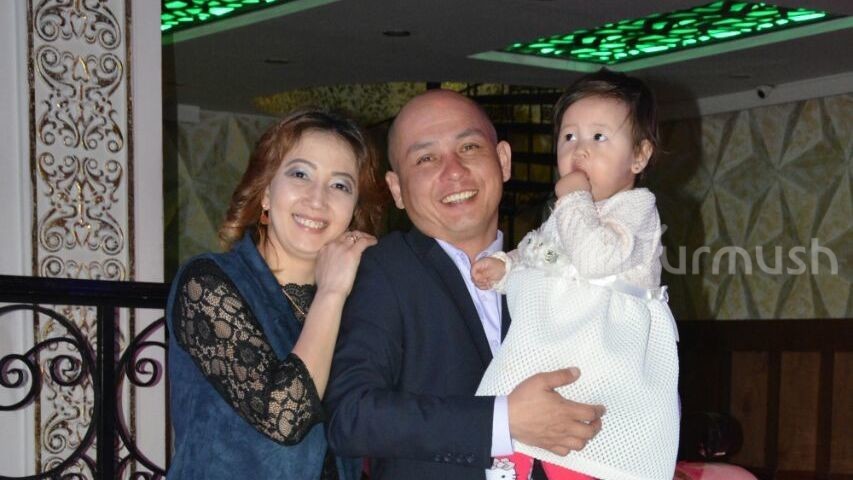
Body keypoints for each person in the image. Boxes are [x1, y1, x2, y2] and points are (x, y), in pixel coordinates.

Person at [324, 90, 605, 480]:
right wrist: (503, 420)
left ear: (503, 160)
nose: (453, 171)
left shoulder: (551, 270)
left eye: (469, 147)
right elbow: (351, 416)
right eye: (426, 158)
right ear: (397, 189)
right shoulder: (385, 269)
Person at [472, 69, 680, 480]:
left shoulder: (636, 209)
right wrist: (507, 266)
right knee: (511, 437)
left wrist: (572, 200)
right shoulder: (570, 212)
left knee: (585, 454)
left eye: (599, 137)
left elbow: (594, 260)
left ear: (639, 156)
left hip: (602, 370)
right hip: (547, 357)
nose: (579, 150)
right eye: (569, 137)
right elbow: (543, 254)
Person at [165, 108, 385, 479]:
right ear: (266, 192)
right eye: (300, 174)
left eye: (340, 185)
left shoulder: (356, 303)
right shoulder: (207, 282)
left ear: (354, 210)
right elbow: (284, 417)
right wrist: (332, 291)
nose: (318, 199)